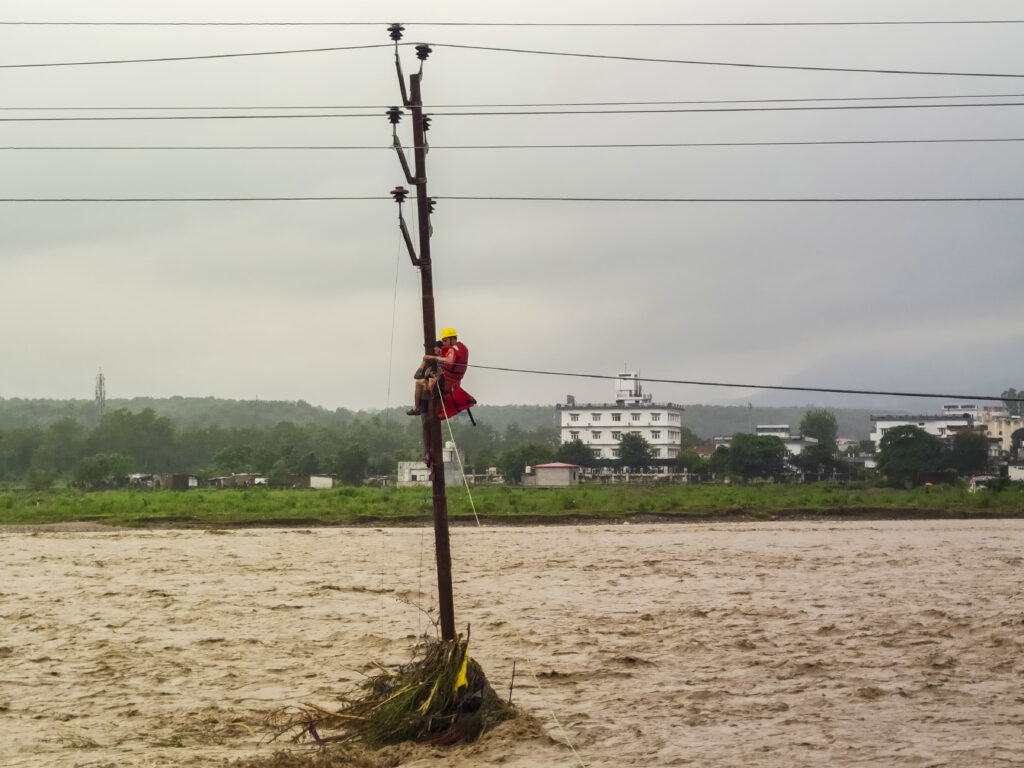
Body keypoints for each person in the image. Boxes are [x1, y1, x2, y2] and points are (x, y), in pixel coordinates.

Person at [407, 327, 476, 421]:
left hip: (447, 383)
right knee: (422, 383)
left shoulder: (452, 350)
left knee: (420, 383)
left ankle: (418, 408)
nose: (444, 343)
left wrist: (430, 357)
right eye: (443, 340)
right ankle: (420, 408)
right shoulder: (460, 348)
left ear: (453, 339)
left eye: (445, 340)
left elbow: (449, 360)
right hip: (451, 381)